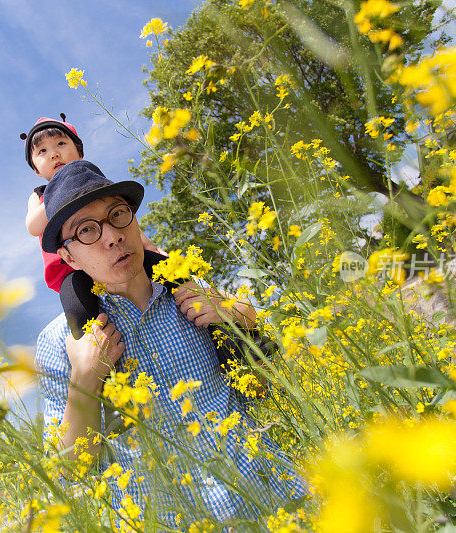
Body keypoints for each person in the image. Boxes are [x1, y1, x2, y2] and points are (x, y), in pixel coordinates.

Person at [35, 160, 307, 526]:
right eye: (86, 230)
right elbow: (71, 468)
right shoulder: (63, 341)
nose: (112, 235)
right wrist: (85, 379)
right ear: (68, 256)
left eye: (118, 214)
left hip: (275, 498)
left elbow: (270, 389)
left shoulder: (193, 292)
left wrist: (241, 318)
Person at [20, 115, 167, 339]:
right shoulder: (38, 196)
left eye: (61, 144)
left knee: (172, 271)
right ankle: (96, 361)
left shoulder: (91, 180)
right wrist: (61, 190)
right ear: (36, 170)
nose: (54, 153)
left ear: (79, 153)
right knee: (81, 314)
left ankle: (224, 336)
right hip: (70, 272)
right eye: (42, 151)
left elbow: (122, 219)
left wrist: (152, 247)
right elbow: (32, 226)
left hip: (119, 255)